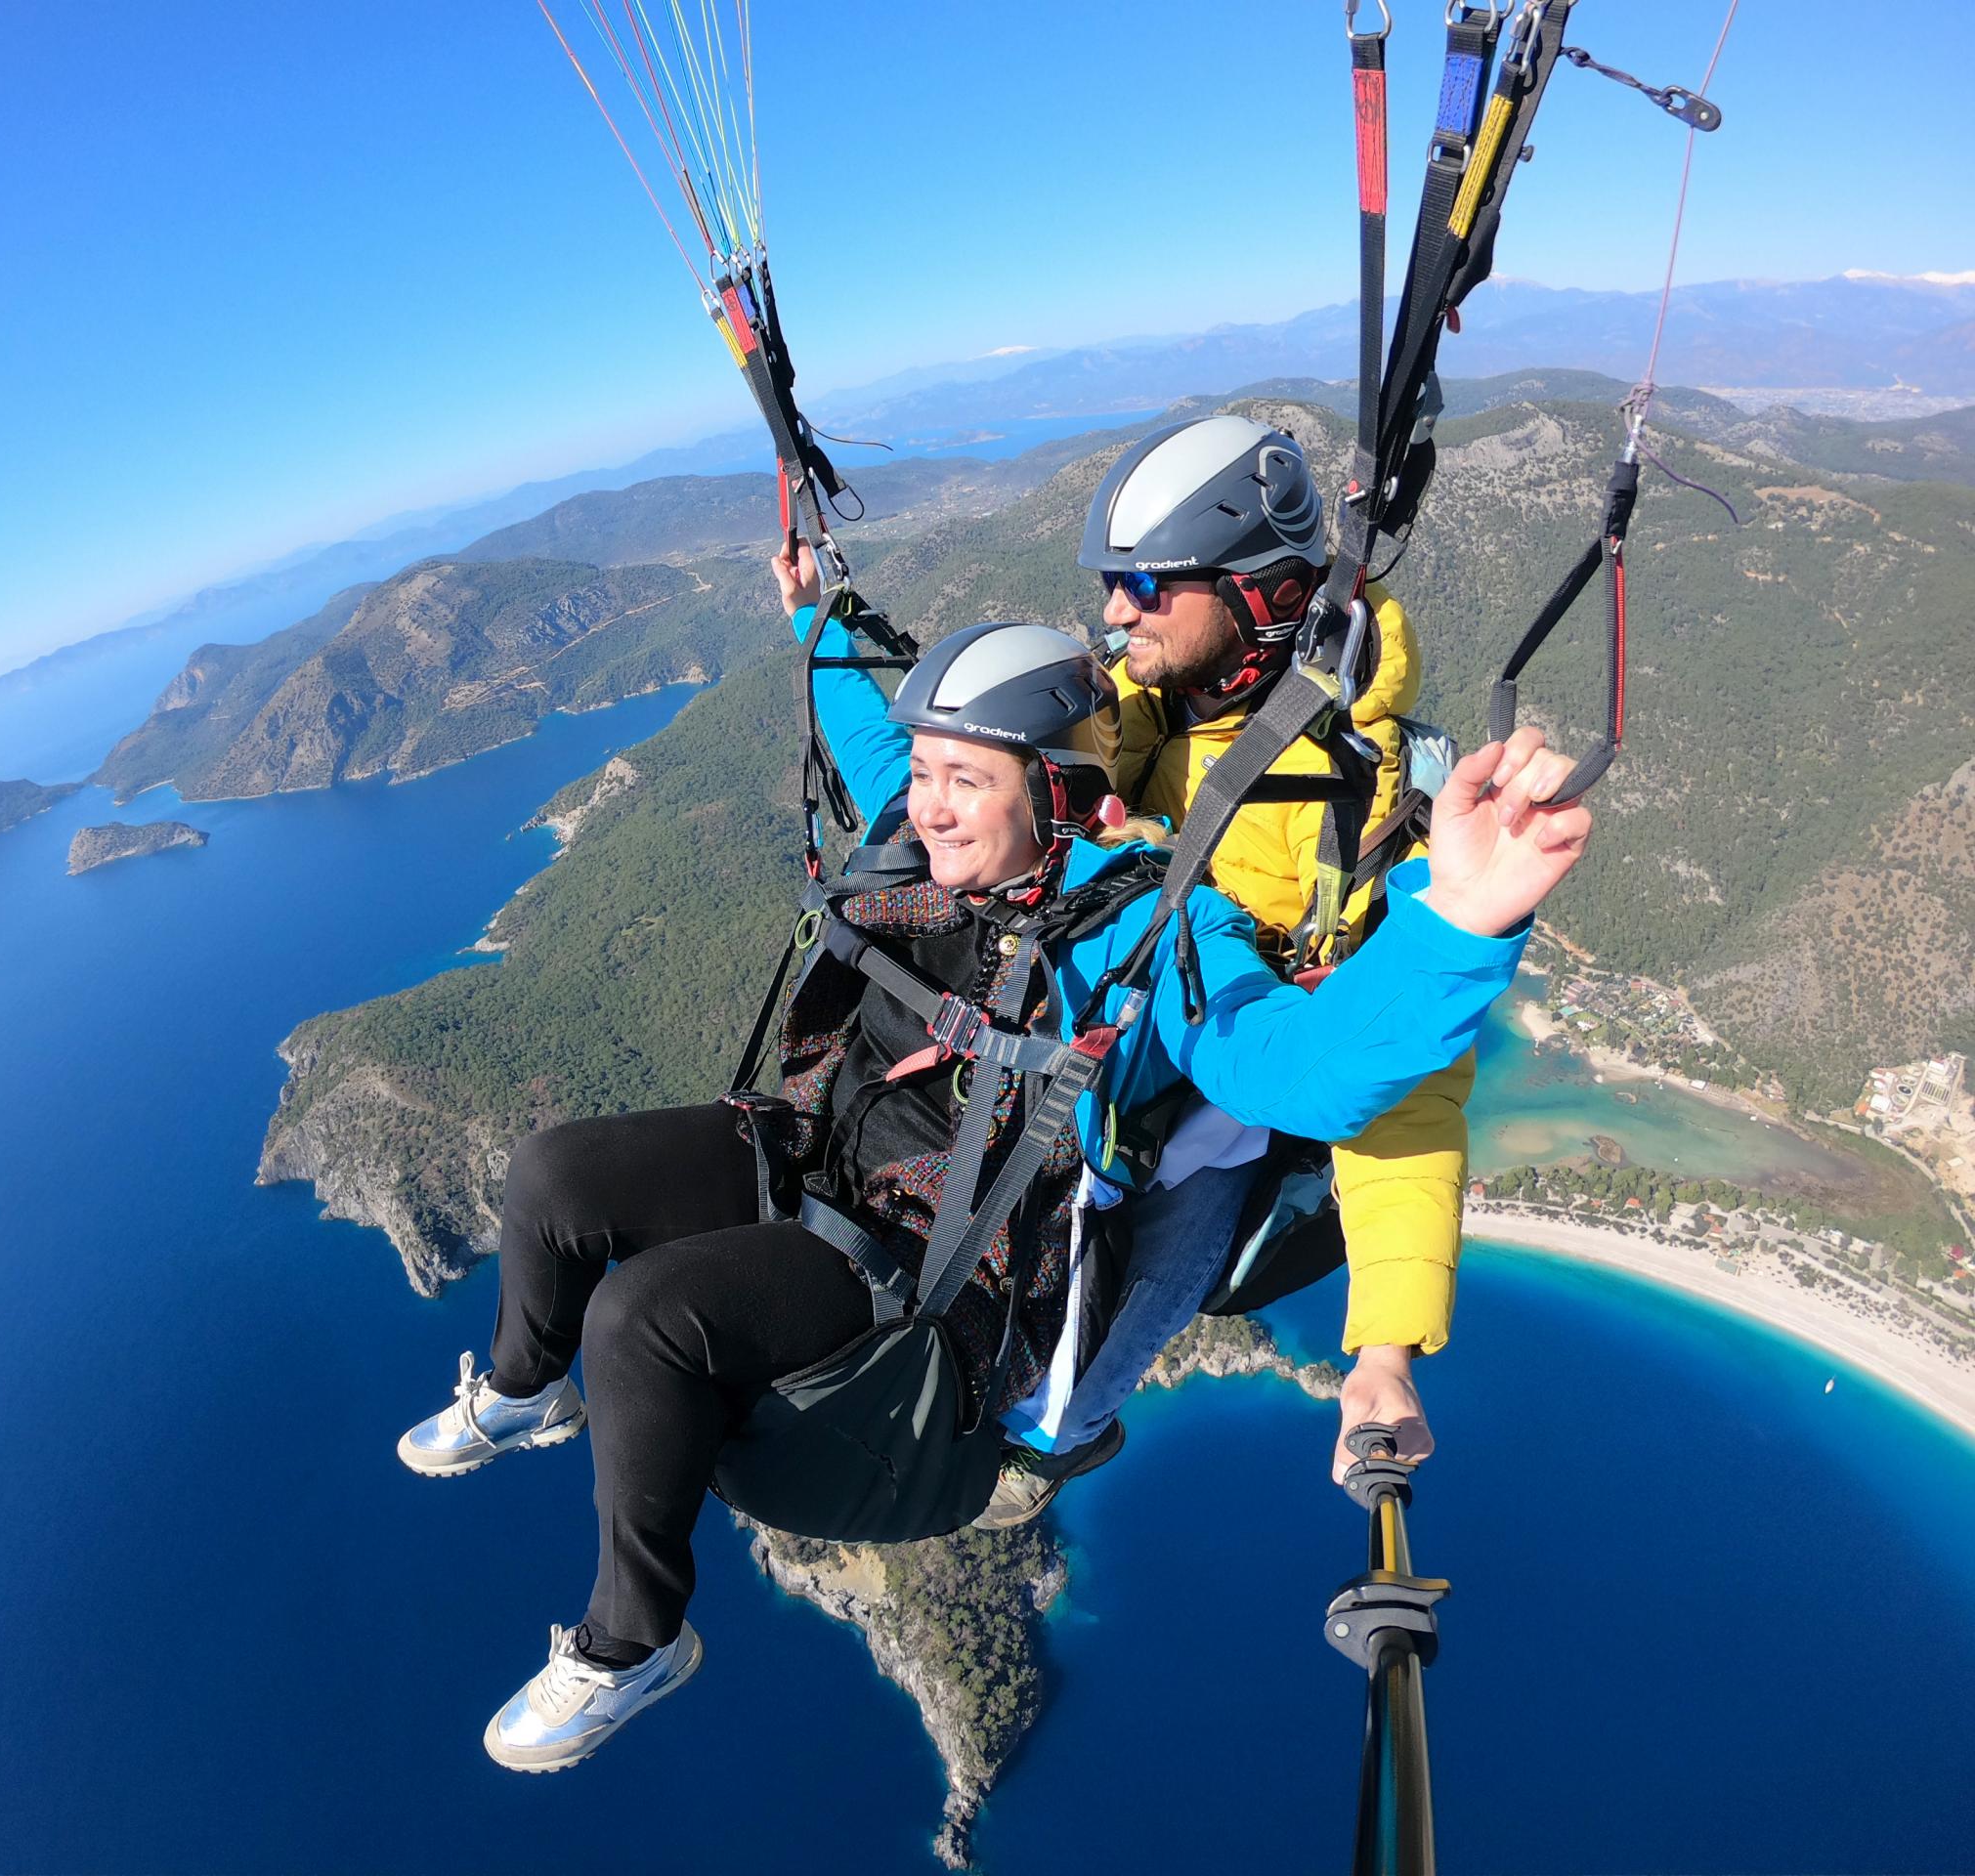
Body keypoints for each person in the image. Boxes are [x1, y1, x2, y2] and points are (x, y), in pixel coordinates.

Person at [394, 538, 1591, 1773]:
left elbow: (1304, 1067)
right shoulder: (923, 847)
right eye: (929, 774)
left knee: (642, 1320)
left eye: (966, 779)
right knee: (552, 1179)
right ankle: (521, 1392)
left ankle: (629, 1643)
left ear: (1057, 796)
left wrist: (1461, 919)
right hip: (812, 1153)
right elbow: (866, 732)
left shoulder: (1148, 932)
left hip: (926, 1273)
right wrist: (822, 616)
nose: (930, 802)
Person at [969, 414, 1475, 1527]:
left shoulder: (1365, 809)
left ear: (1259, 592)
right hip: (1062, 1049)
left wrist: (1384, 1348)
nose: (1114, 611)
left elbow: (1401, 1074)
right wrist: (822, 613)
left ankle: (1064, 1430)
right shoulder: (1115, 709)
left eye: (1146, 583)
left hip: (1208, 1101)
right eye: (1113, 581)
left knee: (1147, 1253)